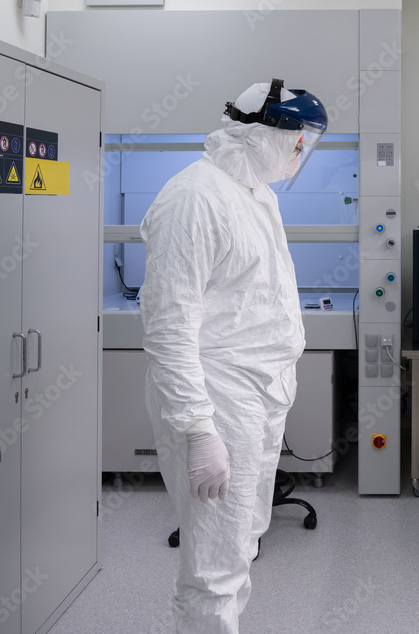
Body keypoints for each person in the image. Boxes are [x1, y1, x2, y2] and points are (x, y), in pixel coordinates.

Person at [140, 79, 326, 633]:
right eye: (296, 141)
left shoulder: (255, 194)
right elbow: (170, 326)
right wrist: (198, 429)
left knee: (242, 543)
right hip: (219, 399)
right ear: (257, 132)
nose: (300, 154)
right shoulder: (195, 197)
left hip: (260, 394)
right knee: (215, 564)